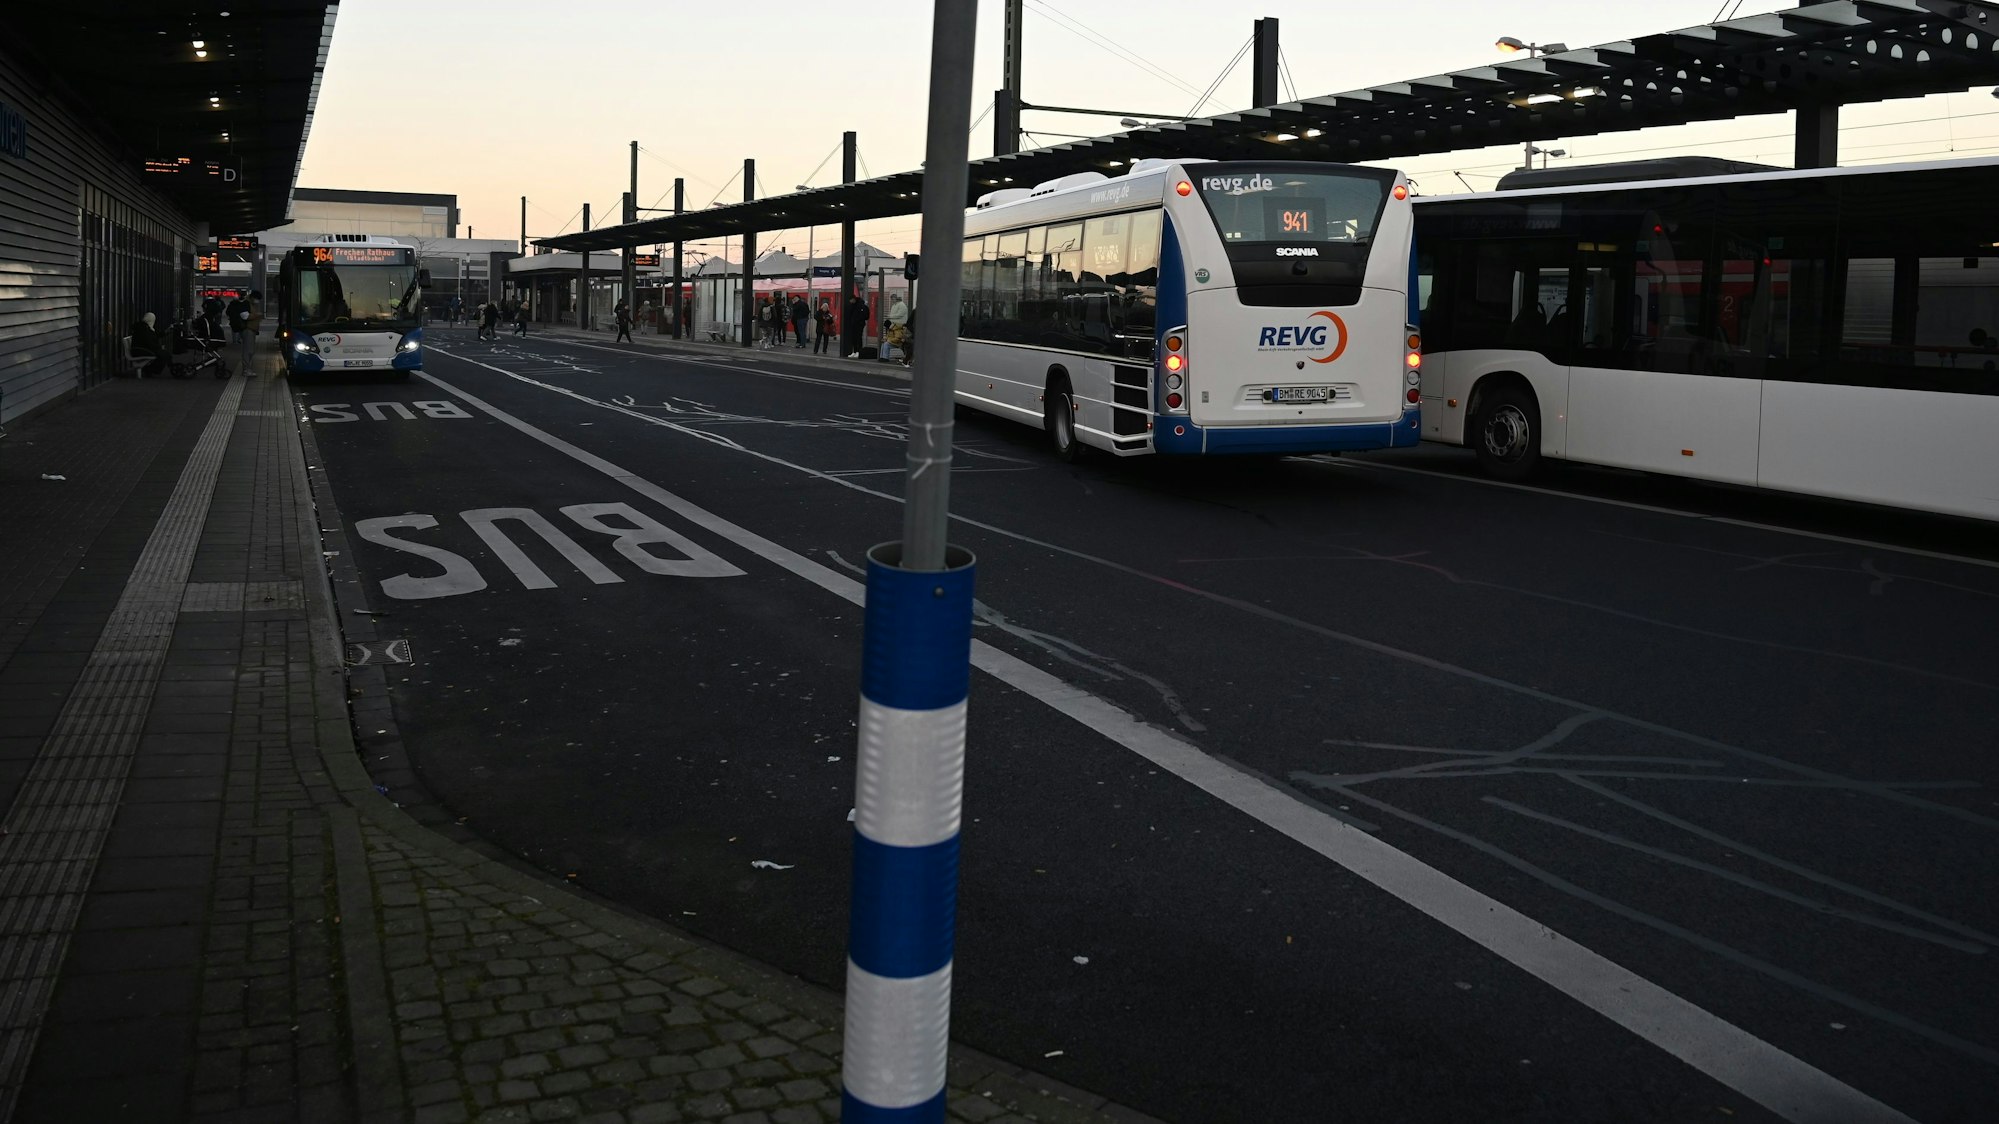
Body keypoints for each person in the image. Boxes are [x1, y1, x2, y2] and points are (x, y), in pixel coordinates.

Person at [129, 312, 168, 377]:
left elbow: (152, 337)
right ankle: (150, 369)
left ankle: (150, 369)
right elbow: (148, 341)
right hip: (141, 350)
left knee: (163, 354)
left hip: (140, 349)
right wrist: (158, 347)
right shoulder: (145, 329)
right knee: (164, 354)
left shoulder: (143, 327)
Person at [226, 291, 255, 374]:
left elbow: (228, 312)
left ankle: (235, 340)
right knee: (248, 349)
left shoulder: (232, 304)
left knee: (246, 347)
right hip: (246, 327)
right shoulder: (246, 304)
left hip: (237, 326)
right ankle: (246, 369)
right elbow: (245, 316)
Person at [844, 292, 869, 358]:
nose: (850, 302)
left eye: (851, 300)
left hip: (859, 324)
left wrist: (858, 320)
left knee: (858, 338)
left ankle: (859, 352)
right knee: (854, 338)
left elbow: (865, 316)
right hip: (853, 325)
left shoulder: (861, 305)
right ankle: (854, 351)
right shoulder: (852, 306)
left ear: (853, 299)